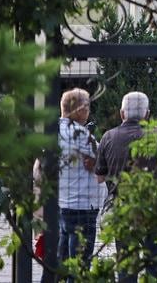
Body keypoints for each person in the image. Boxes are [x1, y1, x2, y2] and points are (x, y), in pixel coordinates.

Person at [94, 92, 157, 283]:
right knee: (156, 261)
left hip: (122, 208)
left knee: (127, 264)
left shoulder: (108, 137)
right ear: (148, 114)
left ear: (122, 113)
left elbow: (99, 177)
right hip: (153, 208)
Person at [54, 87, 104, 273]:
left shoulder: (53, 131)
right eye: (88, 107)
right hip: (82, 207)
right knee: (80, 266)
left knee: (62, 260)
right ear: (81, 109)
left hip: (61, 203)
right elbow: (101, 162)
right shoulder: (80, 134)